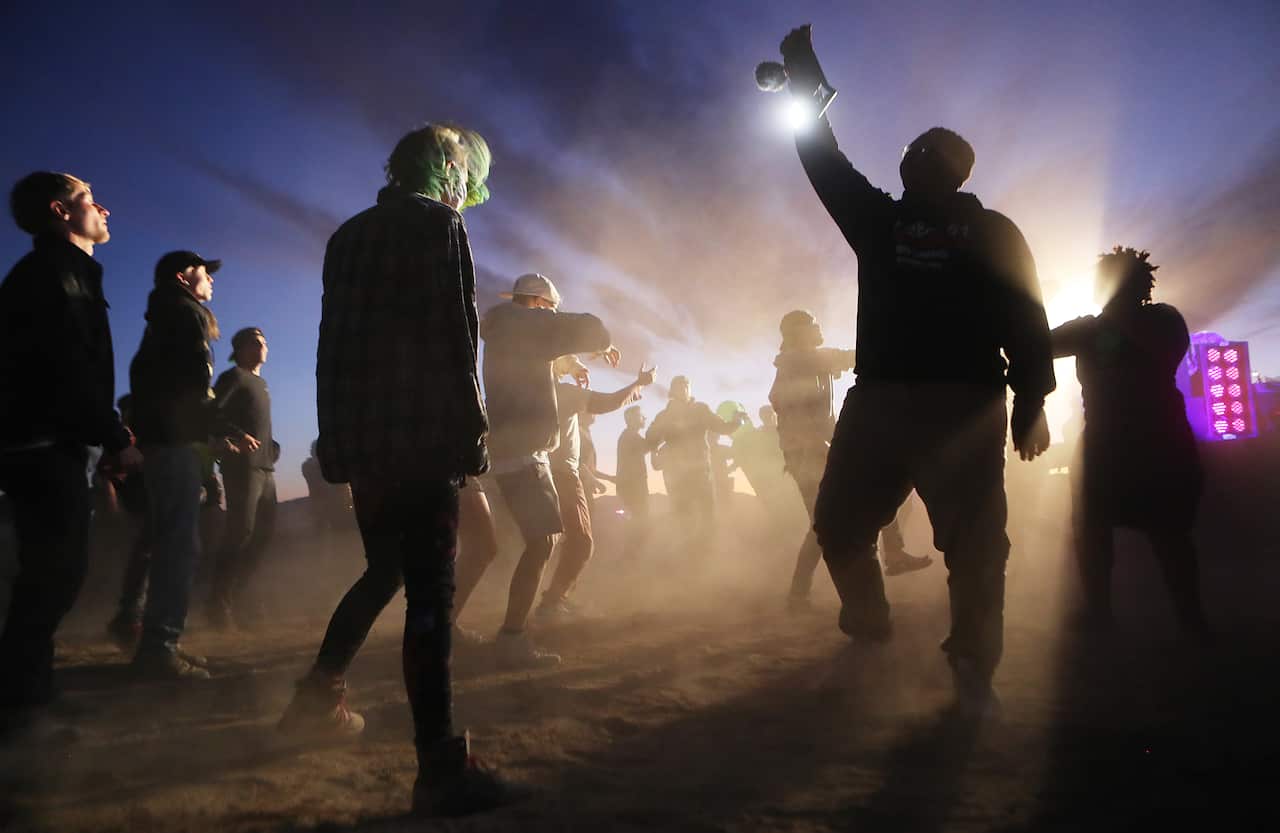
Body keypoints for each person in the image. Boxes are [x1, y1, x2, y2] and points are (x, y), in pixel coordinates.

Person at [778, 24, 1055, 707]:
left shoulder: (989, 230)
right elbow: (825, 163)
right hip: (885, 404)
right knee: (841, 522)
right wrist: (806, 88)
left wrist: (1031, 398)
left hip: (960, 404)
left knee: (975, 544)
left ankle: (970, 659)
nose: (913, 160)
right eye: (913, 152)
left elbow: (1026, 316)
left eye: (925, 154)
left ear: (949, 170)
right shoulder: (882, 221)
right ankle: (871, 618)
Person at [277, 122, 518, 816]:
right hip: (422, 437)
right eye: (466, 168)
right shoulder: (440, 225)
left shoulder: (346, 237)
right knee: (431, 594)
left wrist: (335, 443)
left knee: (384, 570)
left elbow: (331, 346)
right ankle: (440, 766)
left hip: (367, 445)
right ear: (447, 164)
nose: (470, 184)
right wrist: (472, 434)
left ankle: (315, 699)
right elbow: (455, 334)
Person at [0, 172, 141, 718]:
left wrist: (102, 433)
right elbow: (65, 369)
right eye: (90, 199)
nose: (103, 207)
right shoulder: (56, 276)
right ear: (61, 212)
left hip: (46, 442)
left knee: (51, 577)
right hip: (40, 446)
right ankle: (19, 714)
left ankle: (30, 699)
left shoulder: (65, 273)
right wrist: (112, 435)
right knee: (53, 578)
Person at [454, 273, 616, 668]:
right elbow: (594, 330)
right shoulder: (527, 324)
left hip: (504, 446)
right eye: (551, 309)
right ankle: (512, 638)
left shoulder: (506, 329)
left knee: (490, 546)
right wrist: (603, 343)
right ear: (542, 304)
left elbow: (557, 350)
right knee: (544, 540)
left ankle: (441, 625)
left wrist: (580, 358)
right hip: (525, 451)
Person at [1050, 247, 1207, 636]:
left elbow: (1037, 345)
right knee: (1169, 536)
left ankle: (1101, 615)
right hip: (1163, 443)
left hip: (1114, 446)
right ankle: (1191, 621)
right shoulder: (1166, 320)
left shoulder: (1096, 329)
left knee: (1098, 532)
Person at [769, 310, 932, 612]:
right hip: (810, 457)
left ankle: (891, 555)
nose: (819, 327)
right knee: (825, 523)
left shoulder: (805, 361)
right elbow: (850, 358)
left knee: (863, 497)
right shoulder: (800, 360)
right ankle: (802, 595)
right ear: (799, 332)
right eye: (813, 324)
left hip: (820, 451)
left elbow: (846, 361)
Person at [129, 250, 238, 680]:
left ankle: (160, 641)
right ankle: (159, 648)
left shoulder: (166, 316)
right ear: (182, 276)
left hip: (166, 441)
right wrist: (217, 426)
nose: (211, 279)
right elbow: (195, 385)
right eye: (204, 272)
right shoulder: (183, 314)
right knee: (179, 545)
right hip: (173, 442)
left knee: (173, 541)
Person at [535, 356, 654, 620]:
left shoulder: (532, 393)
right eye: (565, 360)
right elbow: (607, 402)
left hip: (544, 472)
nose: (570, 365)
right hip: (564, 475)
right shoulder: (562, 393)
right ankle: (550, 604)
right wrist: (639, 384)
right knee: (580, 542)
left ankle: (552, 601)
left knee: (558, 541)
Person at [208, 327, 277, 630]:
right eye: (254, 342)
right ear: (239, 349)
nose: (261, 346)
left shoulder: (261, 383)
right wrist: (237, 435)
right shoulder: (233, 377)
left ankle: (239, 599)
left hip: (265, 469)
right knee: (240, 534)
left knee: (262, 536)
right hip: (241, 467)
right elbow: (211, 413)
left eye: (264, 342)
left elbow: (259, 424)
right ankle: (218, 606)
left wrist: (272, 448)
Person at [646, 377, 747, 552]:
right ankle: (690, 557)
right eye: (678, 386)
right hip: (677, 476)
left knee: (707, 514)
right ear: (672, 391)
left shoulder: (701, 409)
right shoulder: (665, 415)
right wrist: (660, 434)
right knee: (685, 517)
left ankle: (705, 554)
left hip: (701, 473)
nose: (683, 389)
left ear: (690, 389)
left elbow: (722, 428)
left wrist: (737, 421)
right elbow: (650, 438)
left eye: (686, 385)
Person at [614, 406, 653, 559]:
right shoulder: (630, 437)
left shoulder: (628, 436)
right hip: (634, 489)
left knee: (638, 523)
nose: (644, 418)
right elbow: (650, 445)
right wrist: (662, 431)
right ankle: (632, 561)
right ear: (631, 419)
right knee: (639, 523)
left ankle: (632, 559)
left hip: (631, 488)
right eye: (641, 416)